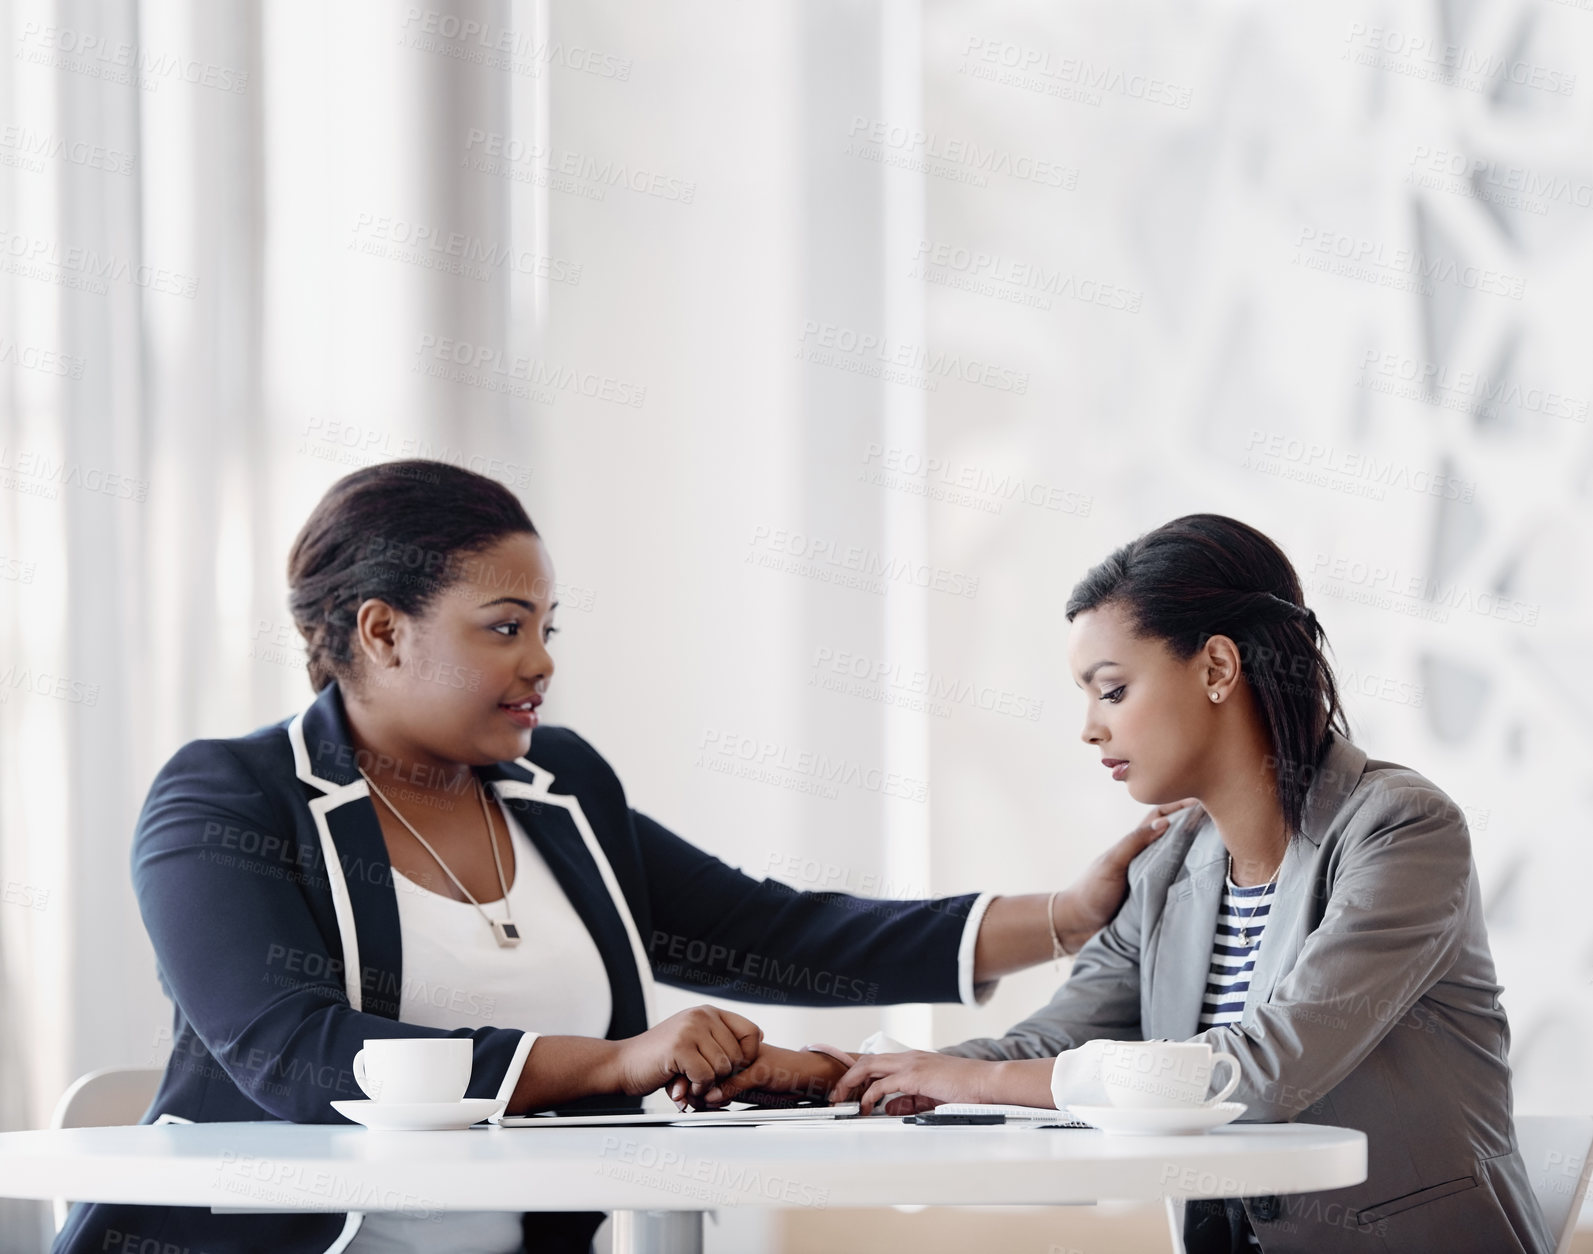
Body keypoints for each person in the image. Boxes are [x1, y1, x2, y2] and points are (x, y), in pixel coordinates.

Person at [54, 460, 1178, 1254]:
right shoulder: (227, 799)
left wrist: (1074, 912)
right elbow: (293, 1058)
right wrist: (615, 1062)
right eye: (504, 626)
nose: (541, 661)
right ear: (381, 631)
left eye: (549, 626)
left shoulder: (562, 790)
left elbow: (772, 935)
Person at [823, 514, 1552, 1254]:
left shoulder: (1399, 828)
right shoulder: (1166, 866)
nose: (1088, 728)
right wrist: (829, 1072)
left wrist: (972, 1084)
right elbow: (1049, 1044)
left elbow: (1265, 1071)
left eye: (1110, 691)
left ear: (1215, 668)